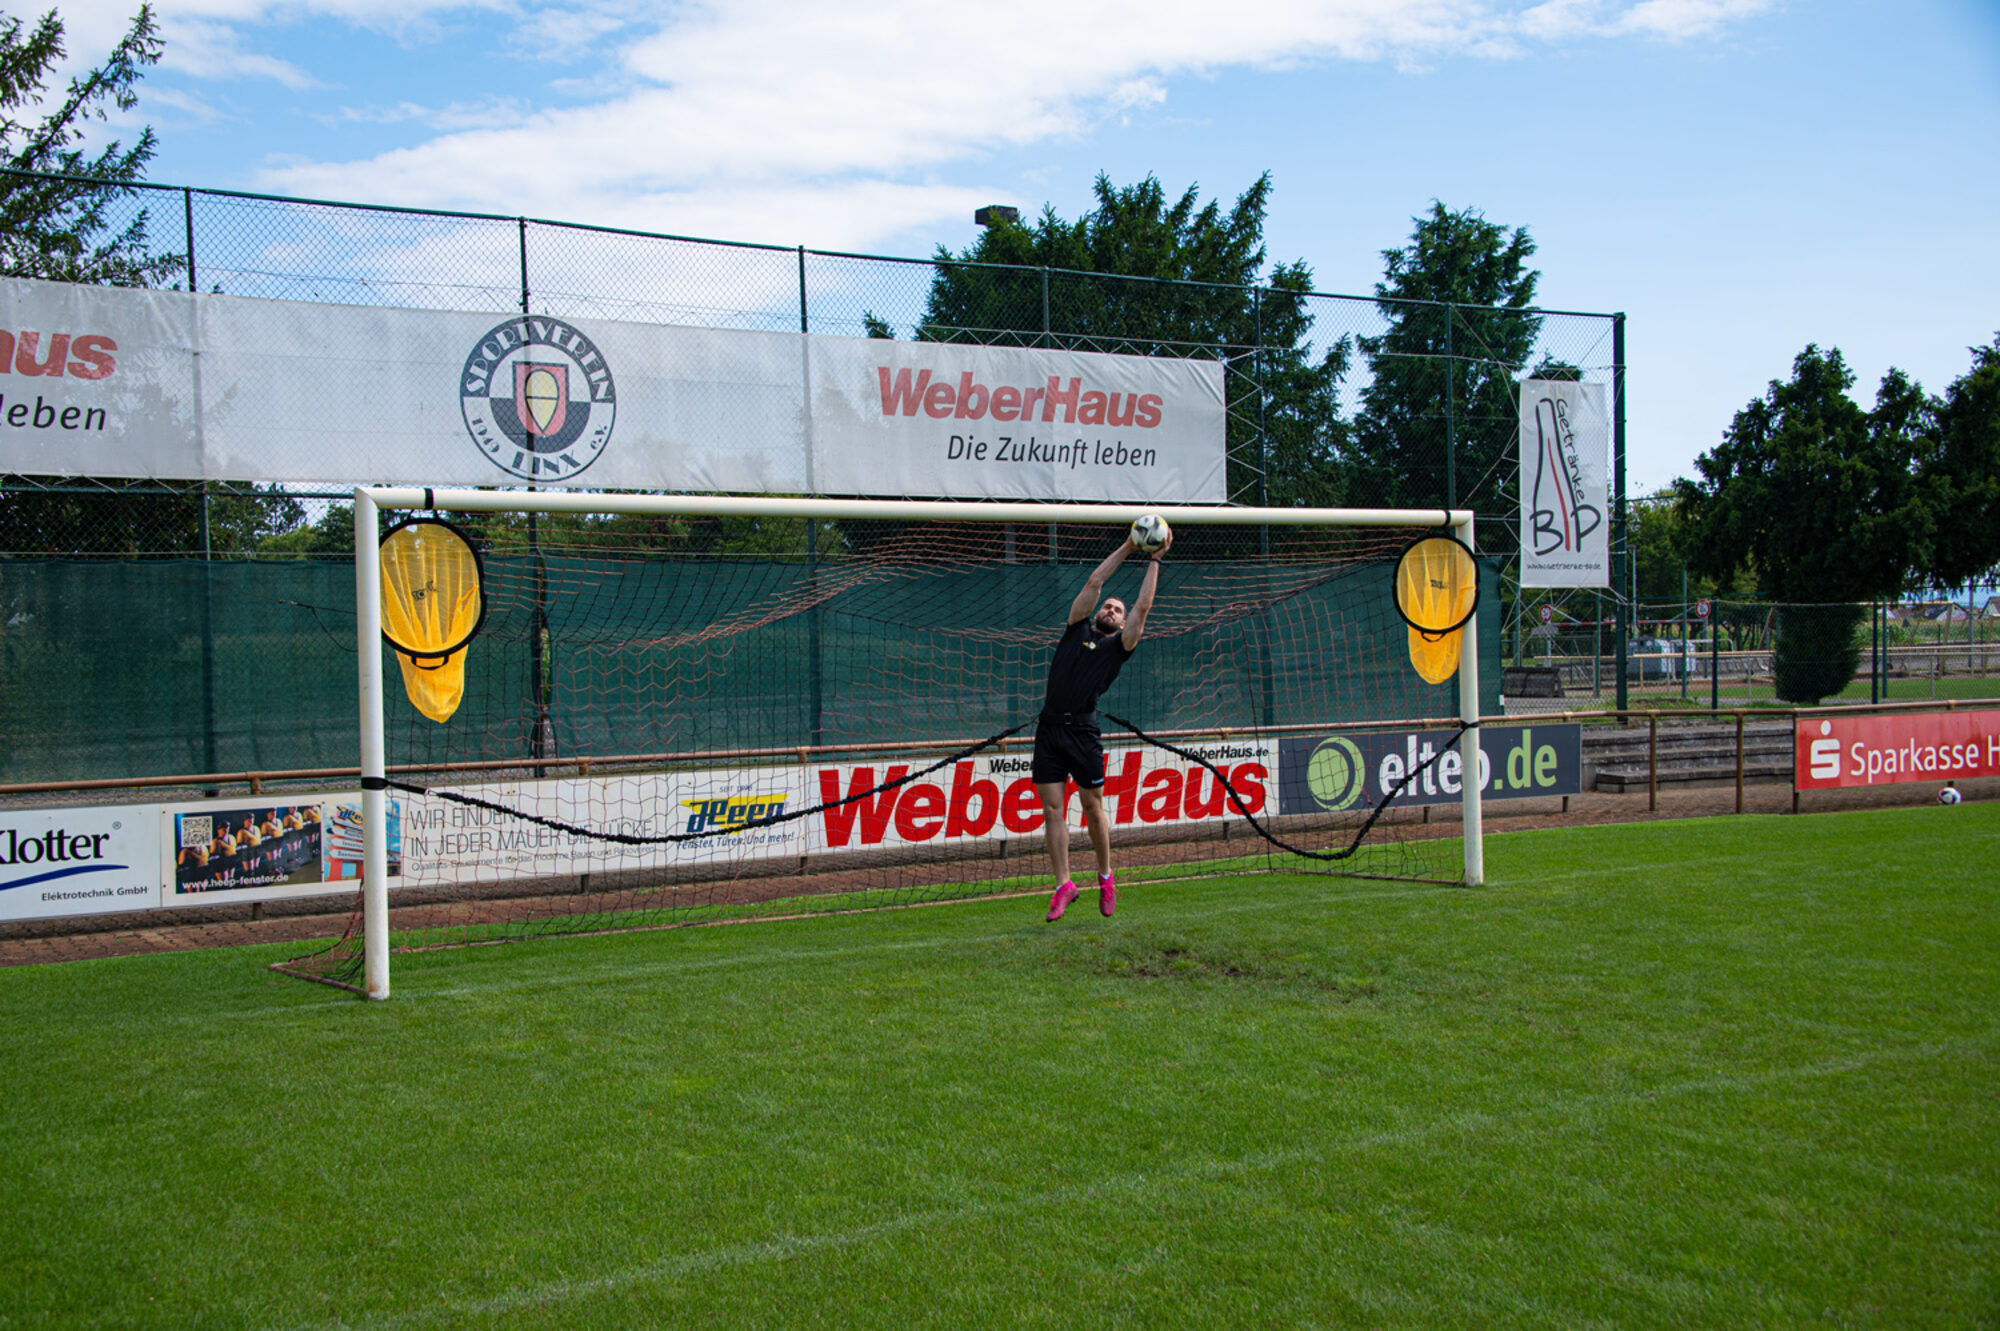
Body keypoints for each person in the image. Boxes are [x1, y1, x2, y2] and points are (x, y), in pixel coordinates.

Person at [1037, 527, 1170, 921]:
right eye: (1108, 607)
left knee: (1092, 807)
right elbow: (1095, 581)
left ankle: (1106, 877)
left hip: (1083, 732)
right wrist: (1128, 546)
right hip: (1049, 729)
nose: (1111, 610)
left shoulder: (1119, 647)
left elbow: (1143, 608)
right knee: (1052, 810)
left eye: (1117, 610)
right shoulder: (1076, 626)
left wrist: (1155, 559)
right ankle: (1063, 885)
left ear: (1122, 622)